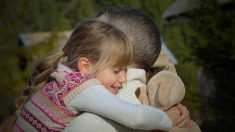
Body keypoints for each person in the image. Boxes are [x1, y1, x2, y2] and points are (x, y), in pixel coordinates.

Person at [10, 19, 179, 132]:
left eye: (125, 71)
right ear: (85, 66)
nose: (123, 79)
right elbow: (136, 117)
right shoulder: (84, 89)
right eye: (116, 70)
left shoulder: (63, 74)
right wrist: (167, 120)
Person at [64, 7, 192, 132]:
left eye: (99, 31)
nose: (85, 36)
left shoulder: (91, 122)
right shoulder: (159, 107)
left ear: (124, 42)